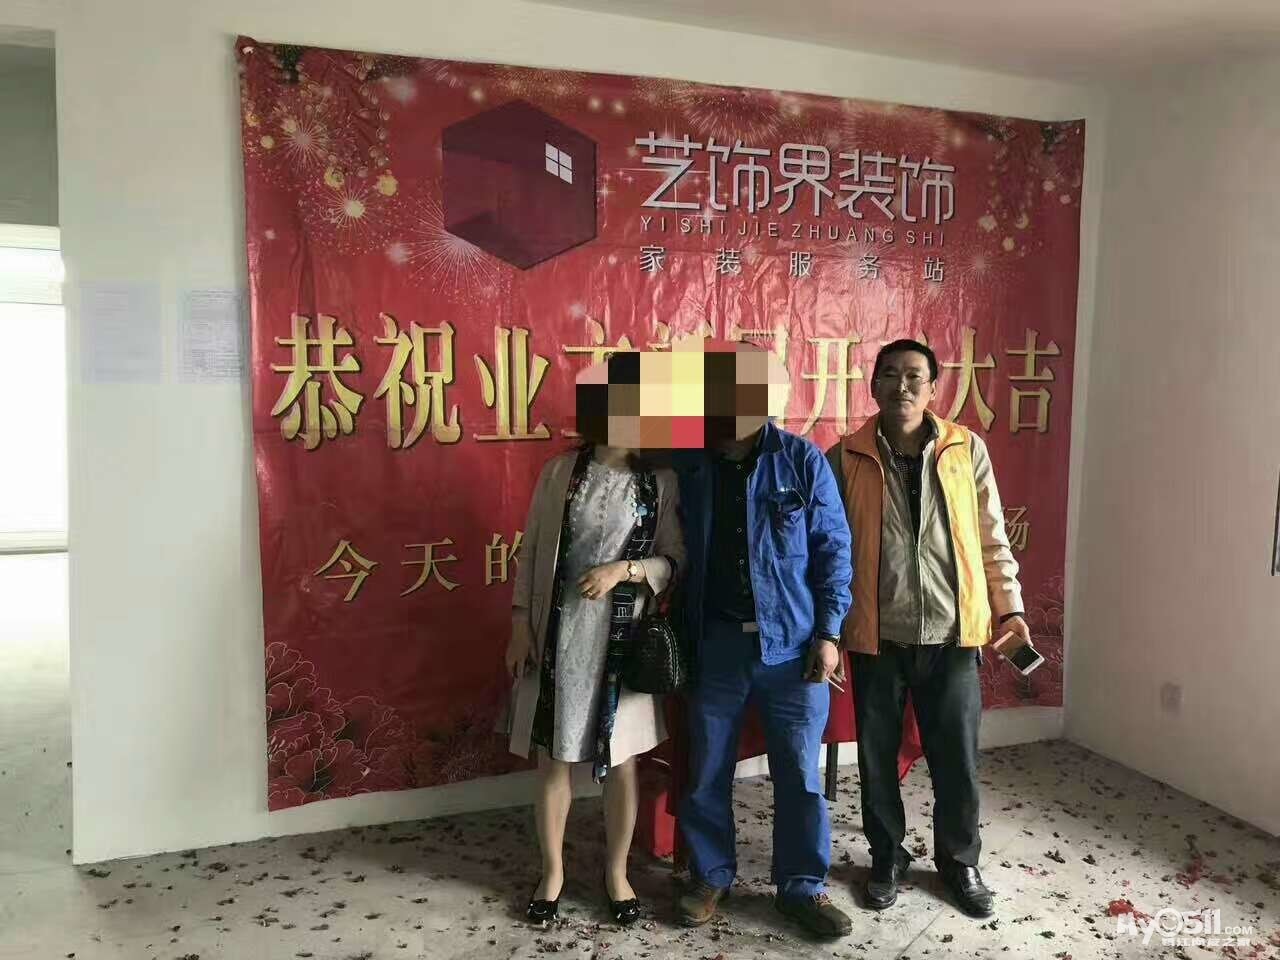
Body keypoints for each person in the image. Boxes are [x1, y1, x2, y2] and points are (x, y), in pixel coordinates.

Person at [827, 339, 1027, 919]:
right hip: (878, 635)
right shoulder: (846, 457)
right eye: (890, 374)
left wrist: (1009, 609)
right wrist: (830, 631)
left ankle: (959, 861)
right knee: (876, 759)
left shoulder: (966, 450)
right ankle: (886, 857)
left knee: (956, 759)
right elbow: (831, 552)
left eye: (915, 375)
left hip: (952, 635)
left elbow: (991, 537)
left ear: (934, 387)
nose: (902, 385)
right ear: (873, 386)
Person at [674, 401, 854, 938]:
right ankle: (710, 875)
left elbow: (833, 548)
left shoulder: (800, 460)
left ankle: (802, 886)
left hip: (794, 648)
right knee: (707, 768)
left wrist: (829, 634)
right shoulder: (690, 461)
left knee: (799, 774)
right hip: (716, 644)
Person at [506, 443, 685, 926]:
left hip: (624, 643)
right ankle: (552, 874)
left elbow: (674, 560)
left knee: (622, 763)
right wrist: (520, 621)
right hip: (558, 636)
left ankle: (617, 873)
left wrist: (624, 571)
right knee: (554, 759)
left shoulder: (661, 479)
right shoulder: (560, 472)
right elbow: (532, 547)